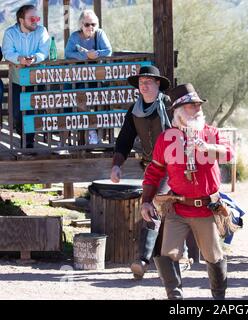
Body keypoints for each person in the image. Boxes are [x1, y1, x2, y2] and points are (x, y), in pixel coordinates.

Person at [141, 83, 234, 300]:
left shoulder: (211, 133)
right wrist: (146, 201)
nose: (198, 108)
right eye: (192, 105)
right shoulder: (166, 139)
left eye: (199, 104)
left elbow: (229, 154)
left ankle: (219, 299)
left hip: (206, 207)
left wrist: (208, 149)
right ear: (179, 111)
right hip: (178, 207)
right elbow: (154, 171)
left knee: (214, 256)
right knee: (168, 254)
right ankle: (175, 299)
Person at [110, 65, 172, 279]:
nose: (143, 85)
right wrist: (117, 165)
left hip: (173, 167)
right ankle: (151, 259)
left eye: (148, 81)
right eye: (140, 82)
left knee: (153, 204)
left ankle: (144, 259)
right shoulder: (134, 110)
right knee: (150, 206)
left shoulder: (168, 105)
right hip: (151, 166)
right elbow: (125, 139)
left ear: (157, 84)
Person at [2, 4, 50, 148]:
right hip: (17, 80)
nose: (36, 20)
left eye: (37, 17)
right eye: (32, 18)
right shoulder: (10, 33)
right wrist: (19, 59)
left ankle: (28, 141)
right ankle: (22, 133)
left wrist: (34, 58)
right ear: (21, 20)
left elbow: (44, 51)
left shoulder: (42, 31)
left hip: (37, 78)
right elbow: (7, 52)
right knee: (17, 113)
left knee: (33, 111)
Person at [65, 9, 112, 144]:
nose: (91, 27)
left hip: (95, 77)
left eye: (93, 24)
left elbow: (108, 51)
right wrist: (86, 56)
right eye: (87, 24)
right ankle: (66, 137)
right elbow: (68, 53)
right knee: (66, 98)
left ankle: (92, 132)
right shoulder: (75, 37)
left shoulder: (100, 34)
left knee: (84, 98)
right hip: (77, 77)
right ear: (81, 25)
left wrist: (96, 54)